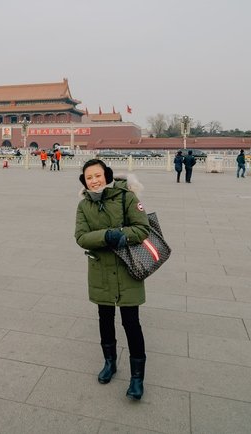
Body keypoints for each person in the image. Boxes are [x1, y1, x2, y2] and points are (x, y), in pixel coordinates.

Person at [75, 159, 150, 400]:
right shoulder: (83, 206)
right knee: (104, 319)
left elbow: (142, 229)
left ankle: (137, 378)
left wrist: (121, 235)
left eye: (98, 175)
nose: (94, 181)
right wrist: (106, 236)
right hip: (101, 271)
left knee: (131, 323)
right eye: (89, 177)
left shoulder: (126, 197)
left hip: (128, 269)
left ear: (107, 175)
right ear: (84, 182)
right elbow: (81, 237)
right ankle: (110, 363)